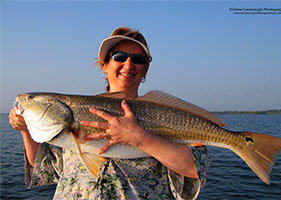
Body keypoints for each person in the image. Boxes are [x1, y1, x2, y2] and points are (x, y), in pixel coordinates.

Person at [9, 26, 212, 199]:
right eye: (119, 57)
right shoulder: (77, 115)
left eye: (139, 59)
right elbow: (43, 167)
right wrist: (27, 130)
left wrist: (141, 138)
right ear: (104, 66)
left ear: (145, 70)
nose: (129, 64)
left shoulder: (168, 116)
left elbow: (194, 169)